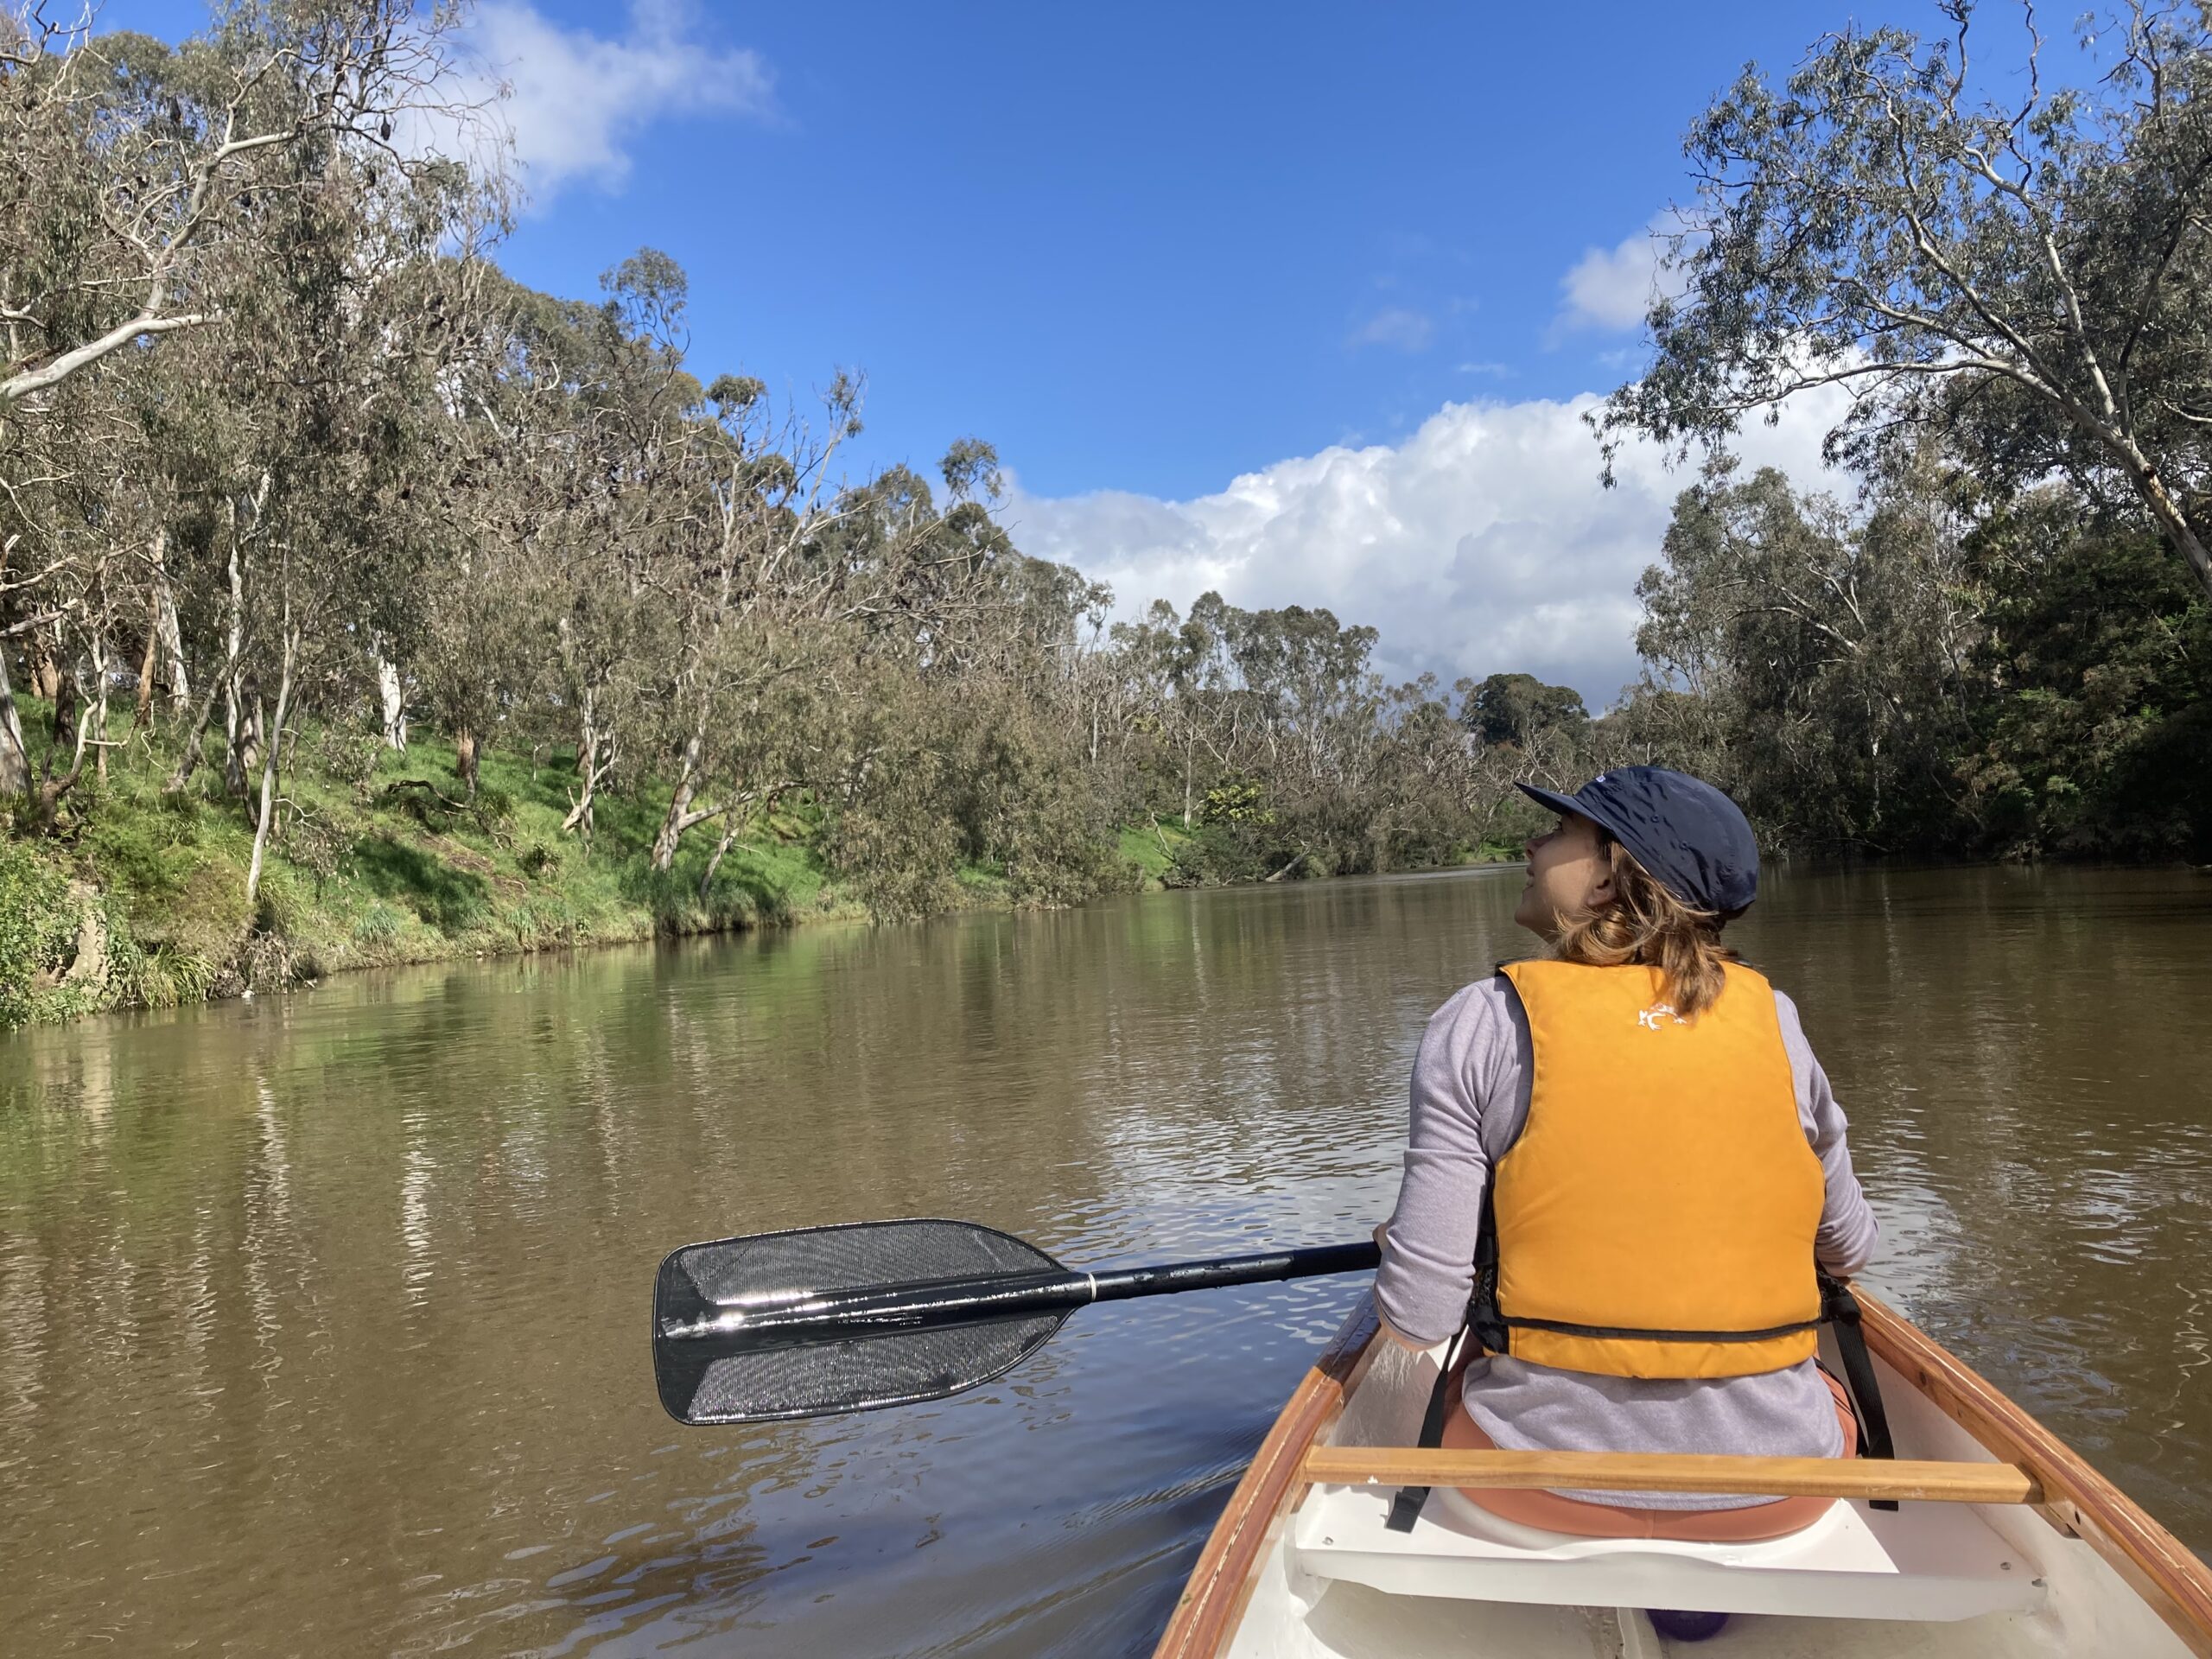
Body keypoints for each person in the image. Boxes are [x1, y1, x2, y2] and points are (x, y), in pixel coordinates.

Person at [1373, 766, 1878, 1543]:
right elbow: (1847, 1249)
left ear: (1611, 874)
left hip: (1538, 1486)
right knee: (1826, 1392)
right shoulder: (1773, 1020)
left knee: (1437, 1379)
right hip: (1779, 1489)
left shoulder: (1479, 1021)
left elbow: (1420, 1313)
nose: (1532, 844)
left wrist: (1416, 1252)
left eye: (1560, 832)